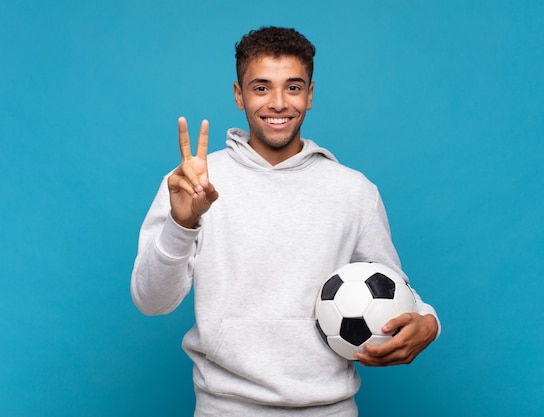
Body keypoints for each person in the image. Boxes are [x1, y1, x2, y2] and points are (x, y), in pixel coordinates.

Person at [131, 26, 440, 417]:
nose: (278, 103)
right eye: (261, 88)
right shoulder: (193, 184)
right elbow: (151, 301)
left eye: (293, 88)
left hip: (330, 409)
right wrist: (181, 224)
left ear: (310, 95)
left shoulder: (353, 191)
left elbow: (393, 290)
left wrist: (429, 322)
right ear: (238, 94)